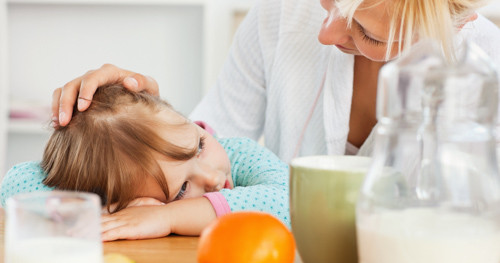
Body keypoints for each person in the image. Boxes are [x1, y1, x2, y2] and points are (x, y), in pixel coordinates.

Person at [50, 0, 500, 163]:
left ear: (457, 24)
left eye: (368, 33)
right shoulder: (279, 14)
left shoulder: (487, 71)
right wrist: (148, 118)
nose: (325, 34)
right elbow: (210, 151)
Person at [0, 84, 290, 241]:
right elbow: (15, 184)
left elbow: (290, 201)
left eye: (199, 146)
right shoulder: (123, 203)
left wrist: (167, 216)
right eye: (181, 189)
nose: (213, 178)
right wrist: (112, 209)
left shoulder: (239, 154)